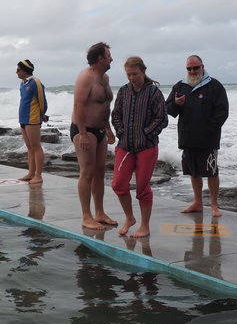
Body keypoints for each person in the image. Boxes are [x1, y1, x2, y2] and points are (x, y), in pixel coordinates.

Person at [165, 55, 229, 217]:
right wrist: (176, 104)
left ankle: (214, 205)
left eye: (196, 68)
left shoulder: (214, 86)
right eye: (189, 68)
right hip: (187, 138)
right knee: (193, 172)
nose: (192, 71)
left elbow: (222, 111)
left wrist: (209, 130)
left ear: (202, 67)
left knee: (211, 172)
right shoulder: (180, 86)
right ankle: (198, 202)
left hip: (208, 139)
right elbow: (168, 109)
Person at [111, 56, 168, 238]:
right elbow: (116, 114)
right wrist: (121, 132)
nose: (131, 78)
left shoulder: (154, 93)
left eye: (134, 74)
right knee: (119, 184)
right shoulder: (123, 91)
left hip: (147, 147)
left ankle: (145, 226)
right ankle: (130, 218)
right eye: (128, 74)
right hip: (125, 146)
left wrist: (145, 133)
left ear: (143, 72)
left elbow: (162, 119)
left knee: (143, 187)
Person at [72, 42, 118, 229]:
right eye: (108, 56)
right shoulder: (85, 77)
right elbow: (78, 105)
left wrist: (108, 129)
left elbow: (104, 107)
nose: (111, 59)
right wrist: (82, 133)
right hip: (85, 130)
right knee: (87, 172)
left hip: (100, 130)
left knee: (100, 172)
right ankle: (86, 216)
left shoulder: (104, 78)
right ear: (100, 58)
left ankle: (99, 212)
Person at [16, 59, 48, 183]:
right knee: (29, 147)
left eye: (18, 70)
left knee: (36, 146)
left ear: (24, 70)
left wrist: (43, 113)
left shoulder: (36, 82)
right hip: (23, 118)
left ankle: (38, 175)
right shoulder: (23, 84)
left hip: (32, 118)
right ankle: (31, 173)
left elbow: (42, 100)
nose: (16, 72)